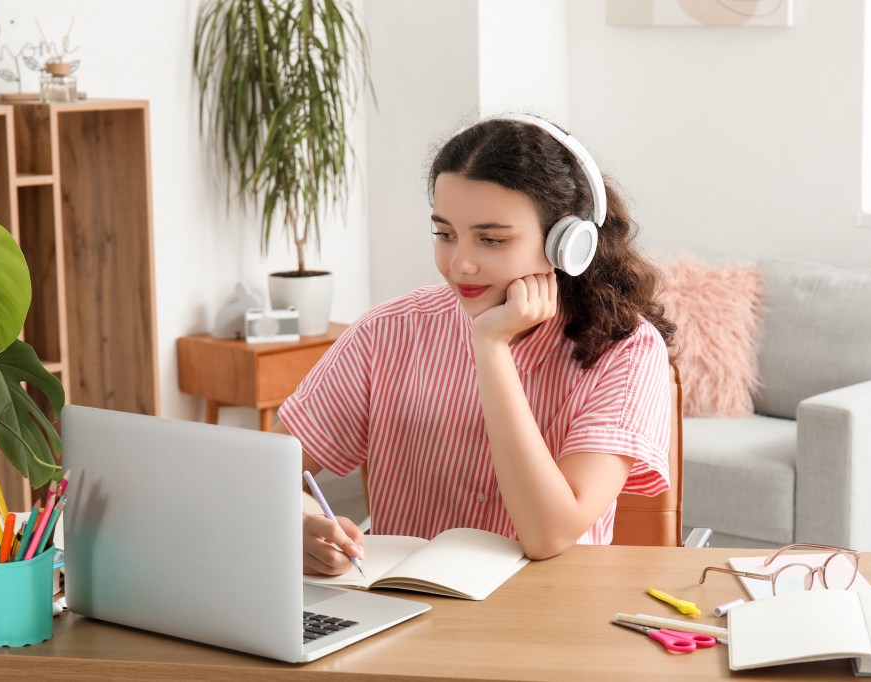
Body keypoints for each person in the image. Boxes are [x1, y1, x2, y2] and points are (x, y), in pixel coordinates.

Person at [274, 114, 677, 576]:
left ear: (569, 244)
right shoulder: (389, 331)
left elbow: (549, 534)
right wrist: (302, 520)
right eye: (444, 234)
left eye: (491, 239)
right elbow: (268, 477)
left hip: (552, 623)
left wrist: (491, 348)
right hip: (403, 615)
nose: (459, 264)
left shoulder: (627, 352)